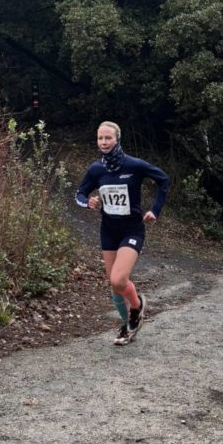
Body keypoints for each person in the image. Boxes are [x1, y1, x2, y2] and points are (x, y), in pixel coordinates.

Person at [76, 122, 169, 345]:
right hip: (108, 231)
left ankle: (137, 306)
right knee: (114, 286)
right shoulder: (96, 169)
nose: (103, 142)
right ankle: (127, 326)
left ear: (117, 139)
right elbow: (79, 194)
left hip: (132, 229)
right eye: (100, 138)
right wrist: (88, 202)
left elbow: (163, 180)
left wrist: (155, 210)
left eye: (108, 138)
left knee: (119, 280)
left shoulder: (133, 165)